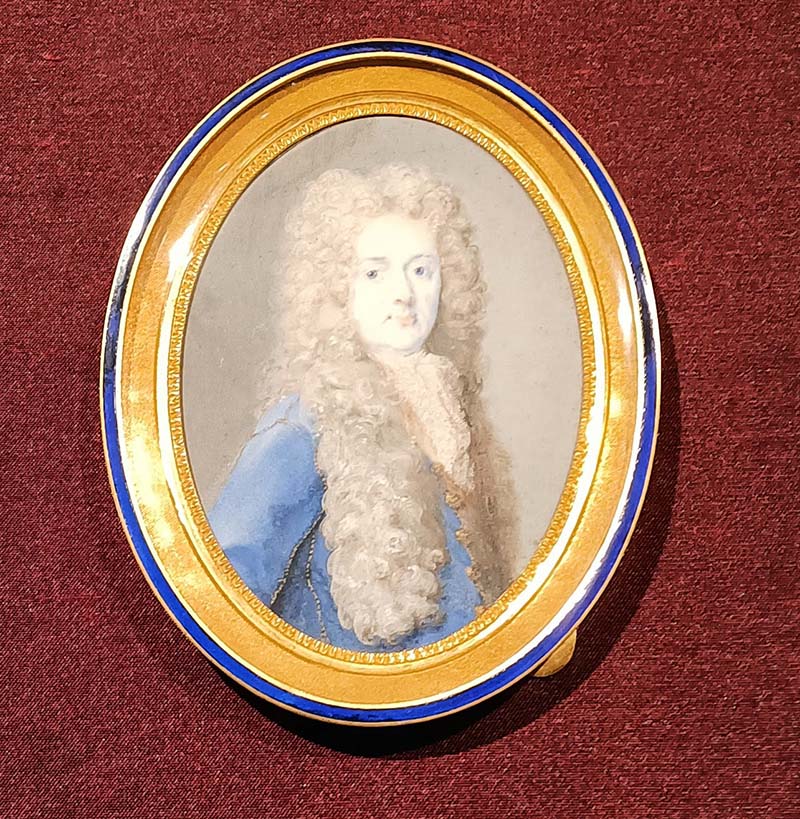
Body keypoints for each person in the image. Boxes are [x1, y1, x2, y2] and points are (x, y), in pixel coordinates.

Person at [209, 165, 520, 652]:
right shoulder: (302, 426)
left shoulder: (452, 409)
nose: (403, 294)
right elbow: (220, 595)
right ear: (334, 290)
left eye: (421, 270)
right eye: (374, 273)